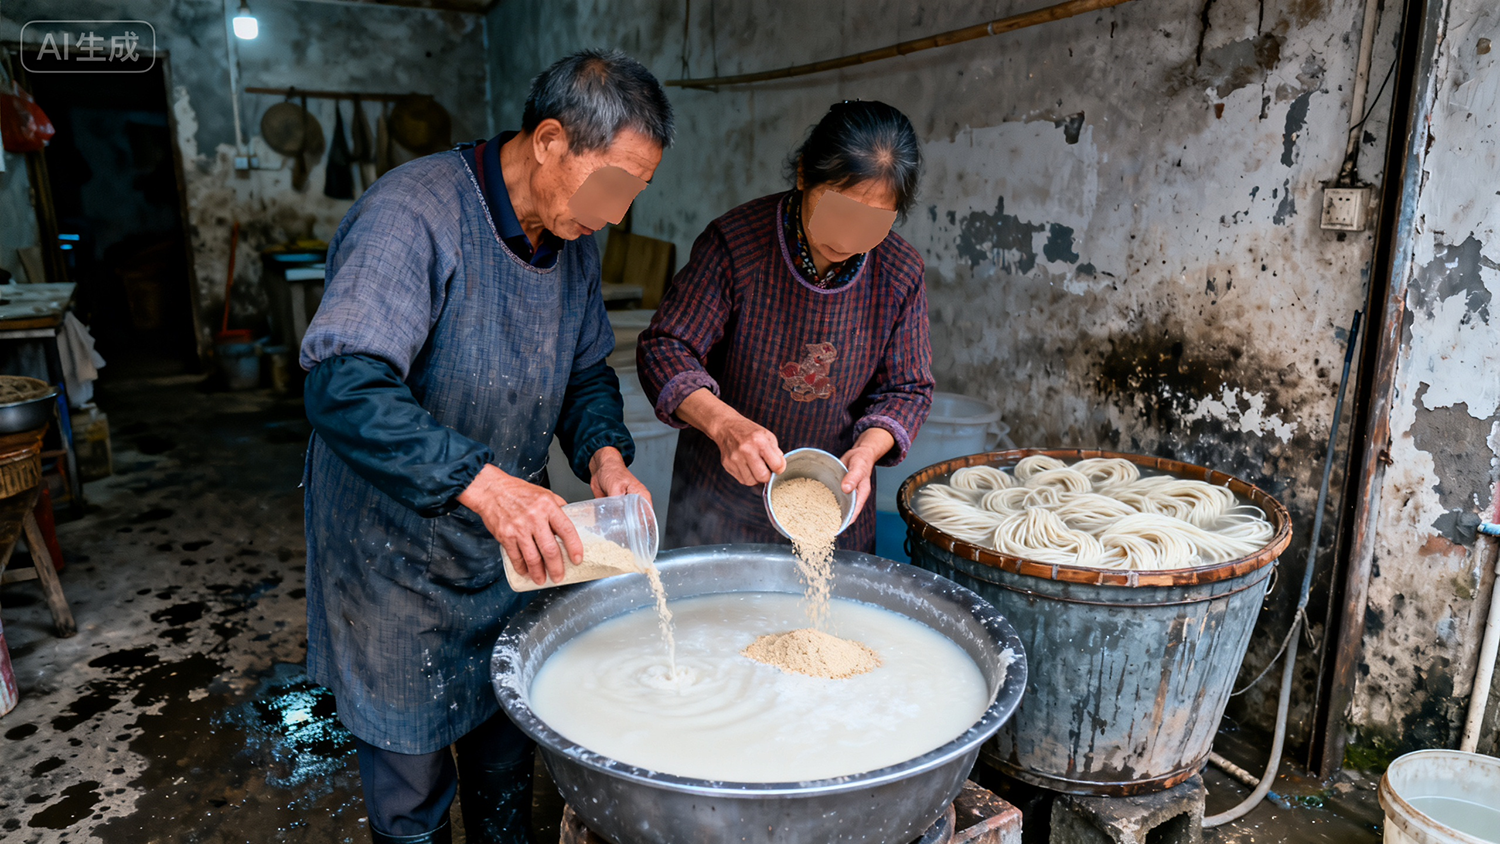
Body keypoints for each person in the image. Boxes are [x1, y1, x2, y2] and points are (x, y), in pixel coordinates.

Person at [299, 50, 673, 844]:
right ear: (547, 141)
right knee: (413, 786)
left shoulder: (572, 239)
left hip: (508, 555)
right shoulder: (414, 216)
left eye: (631, 198)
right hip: (392, 559)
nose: (611, 215)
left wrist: (605, 456)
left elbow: (584, 371)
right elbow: (343, 385)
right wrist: (488, 486)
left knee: (505, 753)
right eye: (609, 187)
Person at [637, 100, 933, 552]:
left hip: (835, 504)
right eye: (839, 211)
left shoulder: (900, 272)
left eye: (873, 223)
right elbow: (666, 347)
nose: (849, 237)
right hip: (719, 504)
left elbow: (908, 387)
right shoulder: (736, 245)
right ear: (802, 175)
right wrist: (724, 426)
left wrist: (867, 451)